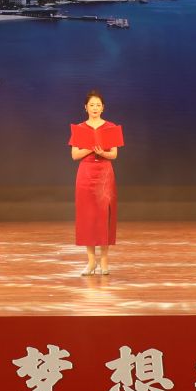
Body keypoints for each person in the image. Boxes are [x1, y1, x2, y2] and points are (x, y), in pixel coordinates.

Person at [70, 90, 121, 275]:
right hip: (86, 174)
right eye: (92, 105)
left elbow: (114, 154)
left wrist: (102, 153)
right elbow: (75, 155)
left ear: (103, 108)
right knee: (88, 216)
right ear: (85, 107)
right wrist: (91, 149)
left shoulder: (110, 127)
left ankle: (104, 261)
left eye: (98, 105)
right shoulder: (80, 128)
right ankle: (91, 262)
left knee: (104, 216)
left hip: (104, 174)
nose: (95, 108)